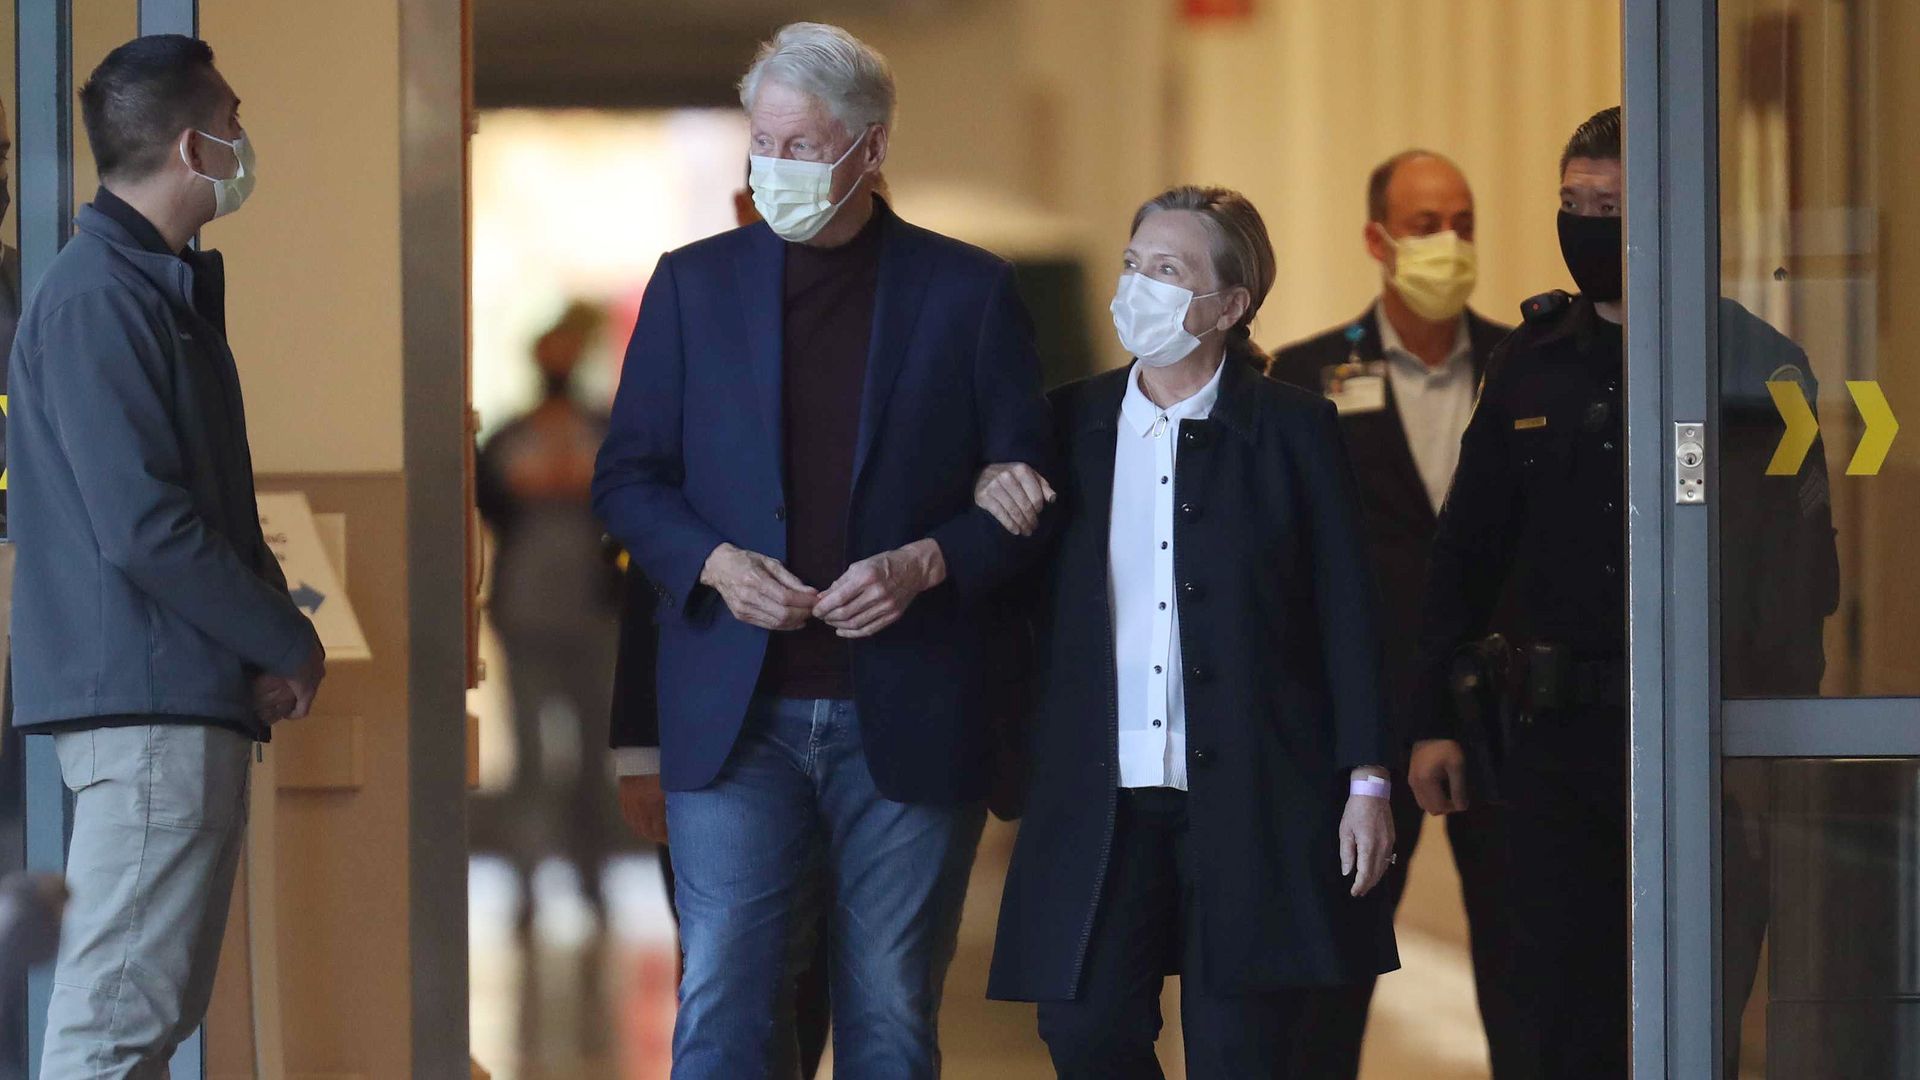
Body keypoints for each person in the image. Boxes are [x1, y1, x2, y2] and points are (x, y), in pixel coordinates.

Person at [592, 22, 1052, 1078]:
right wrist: (712, 562)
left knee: (889, 1009)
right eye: (764, 143)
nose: (776, 168)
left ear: (871, 147)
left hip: (908, 708)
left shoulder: (966, 290)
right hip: (735, 716)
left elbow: (1026, 499)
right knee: (722, 1002)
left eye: (802, 146)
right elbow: (627, 480)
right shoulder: (691, 286)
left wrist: (926, 560)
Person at [985, 186, 1398, 1079]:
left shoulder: (1293, 428)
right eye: (1134, 265)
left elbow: (1347, 610)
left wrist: (1368, 778)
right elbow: (1008, 589)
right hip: (1105, 791)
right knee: (1084, 1028)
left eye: (1167, 271)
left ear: (1230, 306)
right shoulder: (1067, 425)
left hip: (1253, 789)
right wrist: (988, 496)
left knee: (1240, 1051)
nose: (1139, 287)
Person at [6, 35, 325, 1075]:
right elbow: (145, 527)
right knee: (114, 1024)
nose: (243, 141)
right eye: (234, 120)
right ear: (195, 144)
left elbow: (208, 503)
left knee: (146, 1010)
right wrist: (284, 637)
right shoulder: (103, 296)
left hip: (174, 691)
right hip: (147, 707)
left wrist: (265, 645)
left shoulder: (152, 288)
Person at [1267, 150, 1526, 1079]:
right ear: (1378, 240)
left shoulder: (1524, 366)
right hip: (1361, 724)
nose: (1448, 243)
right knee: (1331, 982)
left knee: (1529, 975)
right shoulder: (1305, 378)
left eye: (1463, 222)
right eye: (1425, 225)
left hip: (1503, 712)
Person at [1408, 106, 1631, 1076]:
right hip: (1548, 748)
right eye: (1573, 203)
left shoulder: (1739, 355)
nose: (1586, 223)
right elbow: (1464, 554)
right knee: (1548, 1008)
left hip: (1691, 744)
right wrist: (1434, 720)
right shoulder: (1531, 362)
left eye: (1611, 205)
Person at [609, 178, 834, 1080]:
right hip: (717, 726)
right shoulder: (698, 352)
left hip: (861, 715)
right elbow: (648, 566)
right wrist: (637, 748)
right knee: (730, 975)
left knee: (845, 976)